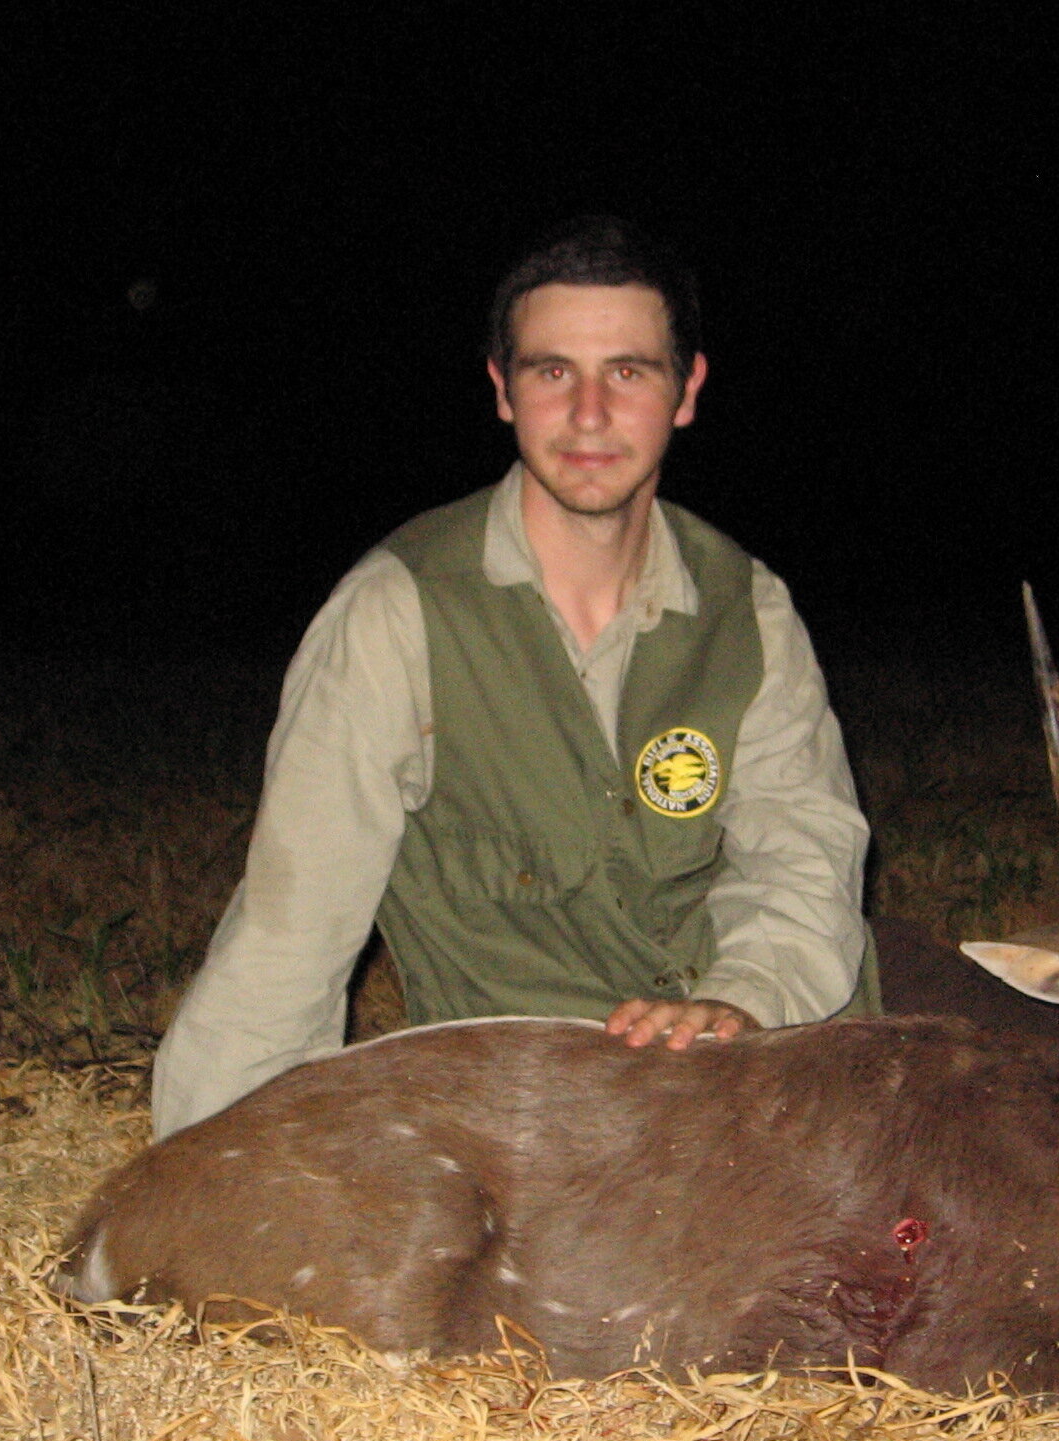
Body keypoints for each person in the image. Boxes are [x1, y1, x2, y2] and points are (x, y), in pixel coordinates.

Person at [151, 216, 874, 1139]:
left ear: (686, 391)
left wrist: (742, 999)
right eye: (551, 372)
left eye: (628, 371)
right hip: (532, 1105)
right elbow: (290, 937)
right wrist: (200, 1169)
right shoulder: (396, 615)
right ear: (502, 390)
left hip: (757, 1064)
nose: (588, 414)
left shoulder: (748, 608)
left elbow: (805, 854)